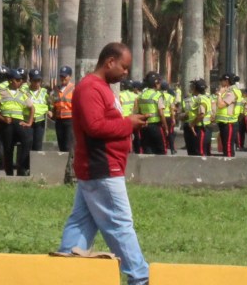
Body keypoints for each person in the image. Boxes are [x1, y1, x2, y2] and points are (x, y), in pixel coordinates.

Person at [57, 42, 149, 285]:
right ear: (110, 62)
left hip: (100, 168)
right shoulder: (90, 88)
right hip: (103, 168)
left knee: (82, 221)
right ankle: (139, 277)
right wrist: (129, 124)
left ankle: (64, 272)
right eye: (124, 67)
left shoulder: (103, 88)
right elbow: (94, 127)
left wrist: (131, 122)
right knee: (120, 224)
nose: (126, 73)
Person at [0, 69, 34, 176]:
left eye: (21, 80)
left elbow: (32, 108)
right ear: (10, 81)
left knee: (28, 139)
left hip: (18, 122)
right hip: (6, 123)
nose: (20, 82)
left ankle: (21, 166)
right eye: (17, 80)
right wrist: (2, 118)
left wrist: (29, 123)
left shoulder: (23, 93)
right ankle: (9, 173)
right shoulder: (1, 92)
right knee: (8, 148)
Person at [138, 72, 167, 154]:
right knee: (161, 150)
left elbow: (139, 111)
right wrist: (166, 127)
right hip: (155, 126)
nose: (160, 84)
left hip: (144, 126)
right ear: (156, 83)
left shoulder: (141, 95)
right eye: (159, 82)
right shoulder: (157, 95)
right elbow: (161, 113)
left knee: (147, 149)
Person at [186, 78, 212, 156]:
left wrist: (192, 124)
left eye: (193, 87)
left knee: (200, 153)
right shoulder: (206, 97)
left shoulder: (201, 99)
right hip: (204, 127)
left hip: (201, 128)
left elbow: (201, 114)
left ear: (196, 89)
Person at [27, 69, 50, 151]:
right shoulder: (25, 92)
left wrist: (49, 111)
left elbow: (50, 104)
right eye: (34, 80)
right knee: (28, 144)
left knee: (37, 145)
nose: (37, 83)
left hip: (40, 123)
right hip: (28, 121)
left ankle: (36, 163)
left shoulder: (45, 92)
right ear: (30, 80)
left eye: (38, 80)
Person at [53, 66, 75, 153]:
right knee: (61, 145)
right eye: (61, 76)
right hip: (59, 120)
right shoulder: (56, 89)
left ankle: (69, 165)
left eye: (65, 76)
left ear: (70, 77)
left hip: (70, 120)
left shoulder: (74, 88)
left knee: (68, 145)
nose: (63, 78)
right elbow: (53, 102)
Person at [216, 73, 238, 157]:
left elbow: (221, 105)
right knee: (225, 146)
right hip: (224, 122)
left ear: (226, 81)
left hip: (229, 122)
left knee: (228, 147)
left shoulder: (232, 92)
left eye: (222, 80)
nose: (220, 82)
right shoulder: (226, 91)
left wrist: (219, 94)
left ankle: (230, 167)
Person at [161, 82, 176, 154]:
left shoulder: (158, 95)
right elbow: (172, 109)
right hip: (168, 117)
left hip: (161, 117)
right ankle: (172, 149)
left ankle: (164, 148)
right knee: (170, 133)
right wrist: (173, 118)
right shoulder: (170, 97)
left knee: (162, 133)